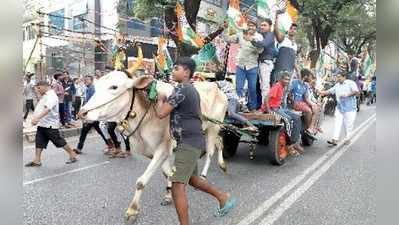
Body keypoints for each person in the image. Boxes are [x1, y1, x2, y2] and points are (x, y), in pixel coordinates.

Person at [154, 58, 237, 225]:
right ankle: (223, 197)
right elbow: (198, 115)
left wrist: (160, 98)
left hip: (188, 143)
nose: (172, 70)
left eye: (176, 68)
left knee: (177, 186)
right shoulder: (190, 90)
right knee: (192, 179)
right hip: (193, 141)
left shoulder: (182, 89)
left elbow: (161, 113)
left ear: (186, 72)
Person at [25, 81, 78, 167]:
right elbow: (41, 105)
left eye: (39, 88)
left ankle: (72, 154)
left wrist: (37, 118)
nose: (37, 90)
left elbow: (47, 109)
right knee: (39, 142)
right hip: (42, 124)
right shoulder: (45, 95)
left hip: (50, 125)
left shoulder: (52, 96)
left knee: (58, 141)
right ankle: (37, 160)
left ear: (44, 86)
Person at [224, 20, 264, 112]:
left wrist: (252, 40)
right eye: (249, 25)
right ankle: (237, 107)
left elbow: (260, 50)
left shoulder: (259, 37)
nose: (251, 27)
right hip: (240, 66)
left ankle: (252, 108)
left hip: (252, 66)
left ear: (256, 27)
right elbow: (227, 39)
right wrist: (225, 29)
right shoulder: (240, 34)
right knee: (238, 88)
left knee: (252, 89)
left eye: (253, 26)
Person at [261, 72, 304, 154]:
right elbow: (266, 98)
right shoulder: (277, 86)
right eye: (285, 79)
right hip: (273, 109)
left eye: (288, 79)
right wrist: (269, 110)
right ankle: (289, 144)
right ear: (280, 79)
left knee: (297, 117)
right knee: (288, 120)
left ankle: (294, 142)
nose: (287, 81)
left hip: (279, 108)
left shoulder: (283, 87)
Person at [73, 76, 113, 154]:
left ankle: (111, 145)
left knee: (90, 131)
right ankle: (111, 145)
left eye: (87, 80)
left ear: (91, 80)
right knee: (95, 131)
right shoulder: (88, 89)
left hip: (93, 114)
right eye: (85, 80)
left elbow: (92, 102)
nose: (85, 81)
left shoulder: (92, 89)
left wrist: (86, 112)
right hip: (91, 114)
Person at [318, 70, 360, 146]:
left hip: (350, 108)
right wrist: (322, 92)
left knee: (348, 125)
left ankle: (348, 138)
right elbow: (330, 91)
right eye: (337, 77)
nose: (337, 78)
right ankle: (335, 139)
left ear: (344, 77)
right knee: (337, 123)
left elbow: (357, 92)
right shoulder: (337, 85)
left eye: (339, 77)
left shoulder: (351, 83)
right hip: (339, 108)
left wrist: (347, 95)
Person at [251, 18, 275, 104]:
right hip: (260, 63)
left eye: (265, 25)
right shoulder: (260, 34)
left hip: (266, 62)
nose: (262, 27)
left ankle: (265, 106)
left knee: (265, 85)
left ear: (270, 27)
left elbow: (264, 44)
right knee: (260, 85)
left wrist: (252, 41)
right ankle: (260, 105)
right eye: (261, 25)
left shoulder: (270, 35)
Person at [272, 11, 298, 84]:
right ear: (288, 29)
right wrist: (276, 19)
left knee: (284, 94)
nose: (293, 30)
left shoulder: (295, 45)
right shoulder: (283, 39)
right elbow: (276, 31)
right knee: (276, 91)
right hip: (279, 72)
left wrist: (298, 71)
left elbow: (294, 60)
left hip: (289, 73)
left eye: (295, 29)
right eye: (291, 28)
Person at [289, 68, 318, 135]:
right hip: (296, 103)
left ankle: (311, 128)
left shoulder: (305, 85)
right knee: (309, 111)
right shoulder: (295, 82)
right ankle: (309, 128)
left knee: (316, 108)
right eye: (310, 76)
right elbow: (289, 92)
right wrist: (292, 100)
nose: (311, 79)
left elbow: (306, 98)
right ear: (305, 77)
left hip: (302, 103)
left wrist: (313, 104)